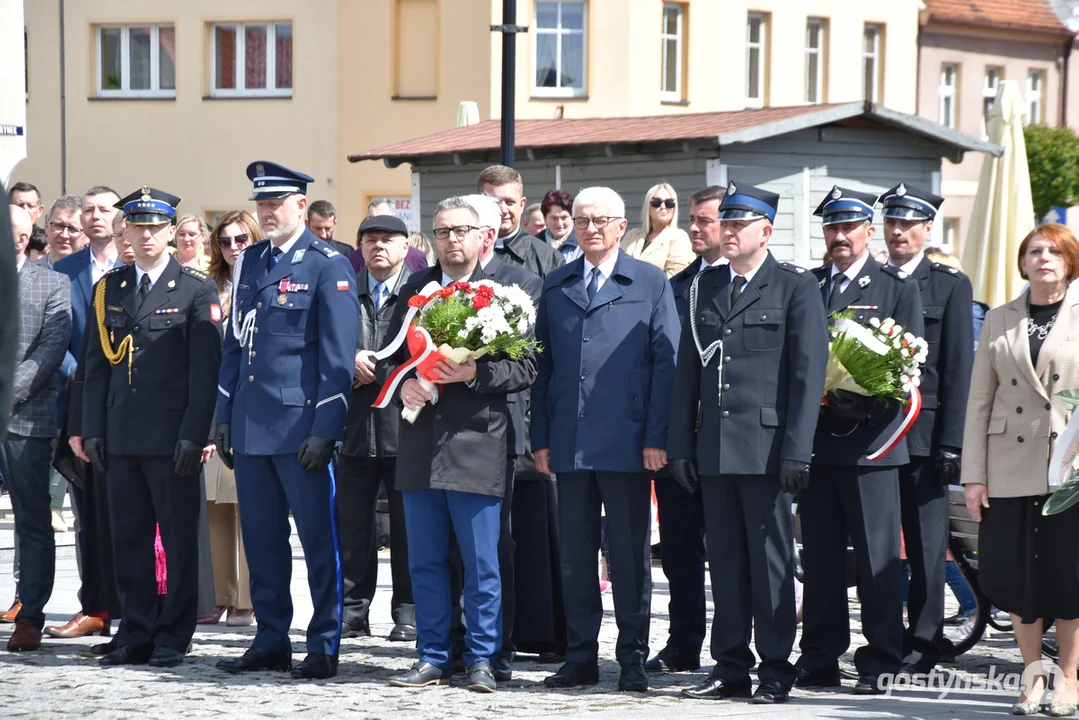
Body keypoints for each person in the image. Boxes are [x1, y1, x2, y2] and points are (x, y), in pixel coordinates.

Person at [668, 181, 828, 703]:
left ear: (766, 231)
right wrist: (680, 447)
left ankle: (776, 667)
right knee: (728, 562)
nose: (729, 232)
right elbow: (686, 375)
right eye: (726, 223)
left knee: (771, 562)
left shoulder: (794, 287)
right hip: (714, 448)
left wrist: (797, 450)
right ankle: (729, 664)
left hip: (767, 450)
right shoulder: (704, 289)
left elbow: (807, 376)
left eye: (739, 225)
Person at [382, 196, 537, 694]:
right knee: (423, 559)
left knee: (481, 561)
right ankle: (432, 656)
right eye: (443, 231)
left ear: (482, 237)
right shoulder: (416, 286)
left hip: (478, 440)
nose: (451, 240)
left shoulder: (511, 291)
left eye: (461, 231)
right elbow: (389, 354)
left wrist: (475, 371)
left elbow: (527, 366)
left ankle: (483, 659)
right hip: (419, 440)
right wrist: (400, 381)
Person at [214, 161, 359, 680]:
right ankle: (271, 637)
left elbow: (339, 359)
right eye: (262, 203)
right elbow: (236, 345)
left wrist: (327, 429)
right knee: (261, 540)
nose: (267, 211)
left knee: (320, 541)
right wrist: (223, 416)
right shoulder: (250, 261)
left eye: (277, 202)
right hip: (253, 427)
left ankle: (323, 643)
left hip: (302, 431)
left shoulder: (326, 264)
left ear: (302, 204)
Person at [531, 186, 679, 693]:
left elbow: (667, 364)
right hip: (569, 441)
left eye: (601, 220)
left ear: (621, 226)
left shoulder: (650, 280)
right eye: (582, 220)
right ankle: (579, 656)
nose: (591, 228)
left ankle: (633, 656)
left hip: (629, 441)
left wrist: (657, 435)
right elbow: (543, 366)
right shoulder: (557, 283)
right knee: (574, 555)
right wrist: (541, 437)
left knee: (630, 556)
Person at [80, 187, 222, 667]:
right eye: (137, 227)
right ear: (127, 232)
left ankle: (171, 635)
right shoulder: (110, 288)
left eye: (154, 228)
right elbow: (96, 366)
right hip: (120, 435)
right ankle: (135, 631)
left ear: (169, 232)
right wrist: (91, 427)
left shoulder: (195, 287)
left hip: (171, 437)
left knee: (180, 542)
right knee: (130, 539)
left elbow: (205, 371)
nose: (145, 236)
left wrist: (196, 432)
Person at [796, 185, 923, 694]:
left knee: (877, 563)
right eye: (831, 227)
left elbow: (910, 367)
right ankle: (820, 657)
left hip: (873, 445)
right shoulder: (807, 285)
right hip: (816, 447)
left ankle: (880, 662)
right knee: (822, 561)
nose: (839, 236)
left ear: (869, 232)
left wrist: (865, 395)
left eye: (849, 227)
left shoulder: (895, 288)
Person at [962, 224, 1079, 716]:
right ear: (1022, 262)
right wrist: (973, 474)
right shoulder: (999, 318)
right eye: (1034, 251)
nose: (1043, 258)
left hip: (1069, 465)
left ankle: (1069, 680)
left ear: (1070, 262)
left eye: (1054, 251)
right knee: (1017, 575)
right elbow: (979, 401)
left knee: (1068, 574)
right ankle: (1032, 678)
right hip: (1007, 464)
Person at [880, 183, 974, 676]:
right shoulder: (871, 280)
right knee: (878, 546)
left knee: (925, 548)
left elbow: (959, 367)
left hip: (926, 436)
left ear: (926, 229)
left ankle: (924, 640)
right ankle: (886, 638)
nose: (898, 232)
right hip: (875, 437)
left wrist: (952, 442)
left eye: (908, 224)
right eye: (891, 223)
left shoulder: (949, 285)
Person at [644, 185, 726, 677]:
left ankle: (737, 648)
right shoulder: (676, 286)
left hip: (734, 442)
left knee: (735, 549)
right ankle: (683, 642)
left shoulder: (763, 281)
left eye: (704, 220)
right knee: (678, 550)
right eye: (691, 220)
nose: (693, 228)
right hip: (680, 439)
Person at [48, 186, 123, 641]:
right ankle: (94, 606)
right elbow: (57, 340)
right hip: (82, 410)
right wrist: (93, 377)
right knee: (89, 515)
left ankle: (138, 606)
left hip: (136, 409)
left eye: (104, 210)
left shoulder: (134, 265)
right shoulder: (64, 272)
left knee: (132, 514)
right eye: (89, 210)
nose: (96, 217)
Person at [337, 213, 416, 642]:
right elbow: (325, 341)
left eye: (388, 240)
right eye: (369, 240)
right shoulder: (345, 291)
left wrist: (380, 368)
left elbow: (426, 353)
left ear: (406, 247)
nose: (378, 247)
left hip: (406, 428)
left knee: (408, 530)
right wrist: (346, 361)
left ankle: (407, 611)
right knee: (353, 528)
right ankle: (352, 610)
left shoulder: (420, 294)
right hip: (352, 425)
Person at [4, 205, 72, 652]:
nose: (14, 237)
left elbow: (50, 349)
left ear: (32, 235)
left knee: (32, 520)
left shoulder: (53, 282)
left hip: (25, 417)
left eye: (22, 232)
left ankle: (29, 614)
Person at [202, 210, 262, 627]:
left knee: (247, 506)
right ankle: (219, 594)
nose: (234, 247)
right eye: (226, 241)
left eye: (242, 239)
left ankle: (247, 598)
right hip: (209, 409)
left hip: (251, 408)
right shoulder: (208, 287)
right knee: (214, 508)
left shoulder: (261, 280)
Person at [477, 165, 564, 278]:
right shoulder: (462, 252)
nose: (503, 210)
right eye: (495, 202)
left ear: (522, 205)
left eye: (510, 202)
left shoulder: (548, 258)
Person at [620, 183, 695, 278]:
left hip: (658, 292)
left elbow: (677, 275)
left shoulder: (679, 237)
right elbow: (616, 264)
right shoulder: (632, 235)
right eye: (656, 202)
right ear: (648, 206)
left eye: (669, 203)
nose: (663, 207)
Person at [539, 189, 582, 263]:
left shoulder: (582, 242)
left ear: (572, 217)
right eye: (554, 218)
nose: (559, 223)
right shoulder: (535, 243)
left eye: (564, 217)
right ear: (545, 219)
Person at [9, 182, 48, 261]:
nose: (25, 210)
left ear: (40, 210)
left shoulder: (48, 240)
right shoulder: (3, 237)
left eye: (31, 206)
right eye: (19, 205)